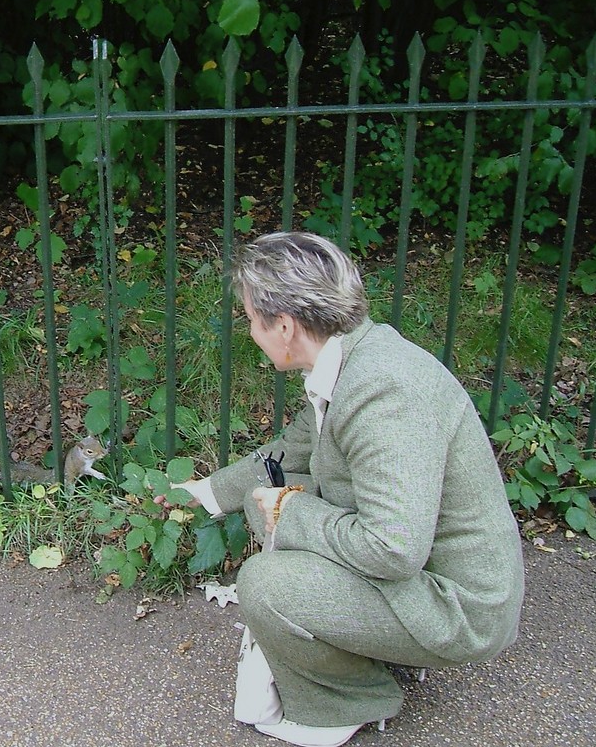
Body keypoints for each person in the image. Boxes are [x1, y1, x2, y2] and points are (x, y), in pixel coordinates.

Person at [174, 232, 525, 747]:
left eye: (250, 318)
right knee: (262, 503)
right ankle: (362, 644)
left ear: (286, 327)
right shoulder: (356, 356)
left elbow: (394, 547)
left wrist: (290, 510)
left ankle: (346, 703)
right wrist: (206, 493)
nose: (249, 329)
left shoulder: (383, 392)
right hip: (428, 571)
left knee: (265, 583)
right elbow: (293, 449)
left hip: (459, 605)